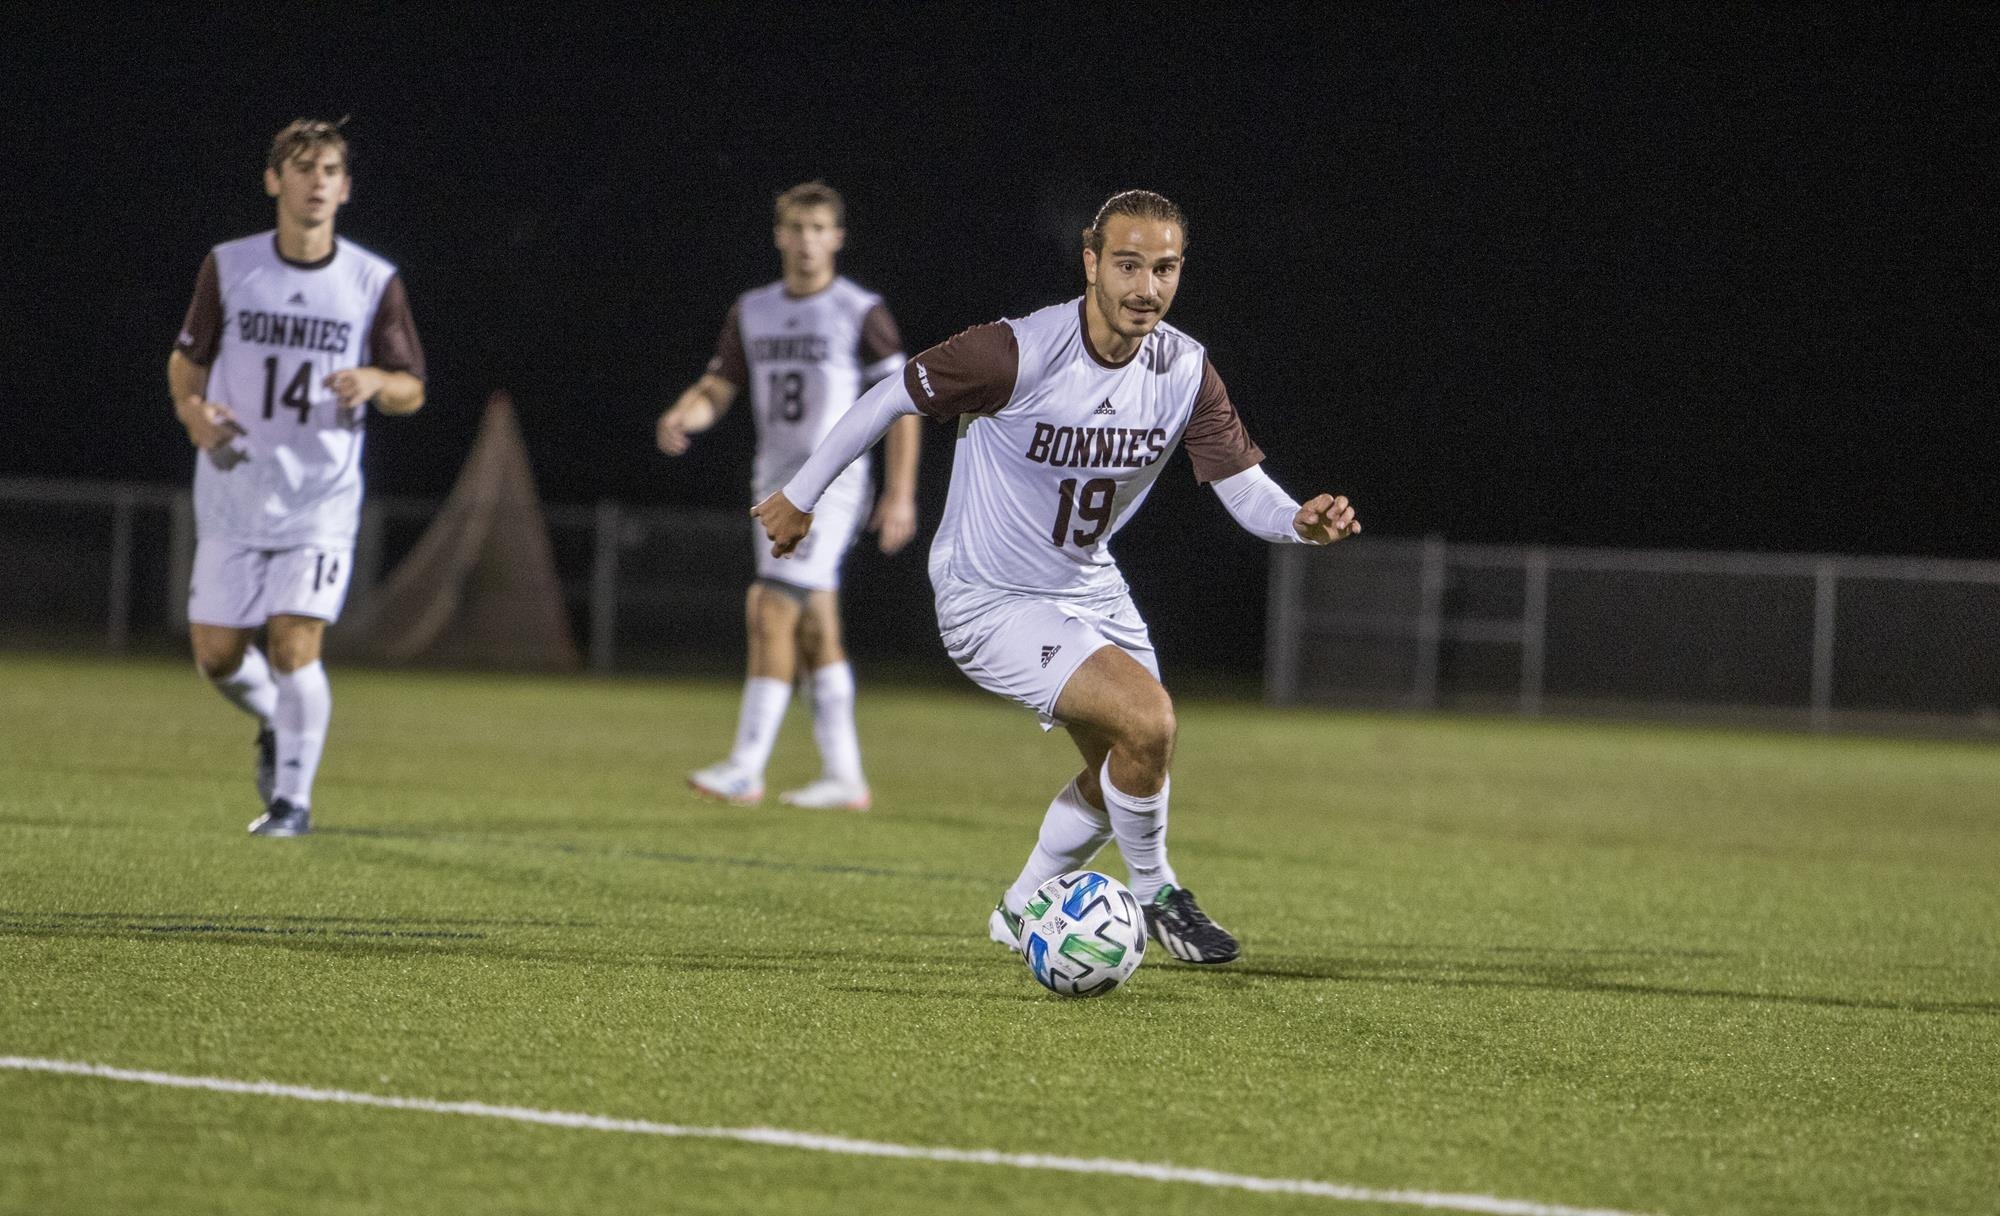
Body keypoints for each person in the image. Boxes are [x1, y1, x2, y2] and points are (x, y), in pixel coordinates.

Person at [751, 189, 1360, 964]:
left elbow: (1243, 486)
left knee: (1127, 766)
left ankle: (1017, 910)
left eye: (1164, 269)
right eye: (1129, 265)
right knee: (1150, 720)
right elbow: (887, 397)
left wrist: (1298, 524)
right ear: (1091, 262)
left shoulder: (1185, 370)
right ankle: (1157, 893)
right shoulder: (1016, 351)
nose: (1146, 288)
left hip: (1089, 587)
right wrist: (800, 496)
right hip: (989, 597)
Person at [167, 118, 426, 837]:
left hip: (320, 496)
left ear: (346, 188)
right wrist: (192, 413)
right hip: (233, 485)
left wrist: (375, 378)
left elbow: (413, 389)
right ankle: (281, 722)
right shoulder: (231, 266)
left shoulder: (372, 280)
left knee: (293, 643)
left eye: (330, 170)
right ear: (274, 180)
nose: (317, 181)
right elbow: (186, 362)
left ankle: (291, 804)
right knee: (217, 656)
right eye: (303, 167)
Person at [657, 181, 920, 812]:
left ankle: (746, 767)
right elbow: (719, 385)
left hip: (831, 484)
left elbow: (904, 403)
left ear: (837, 237)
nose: (806, 241)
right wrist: (685, 414)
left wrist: (901, 494)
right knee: (814, 627)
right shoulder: (753, 310)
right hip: (770, 482)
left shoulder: (860, 310)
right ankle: (845, 776)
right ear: (779, 235)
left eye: (819, 228)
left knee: (771, 607)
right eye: (796, 228)